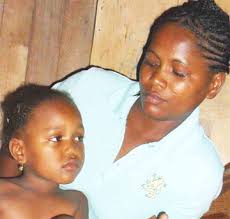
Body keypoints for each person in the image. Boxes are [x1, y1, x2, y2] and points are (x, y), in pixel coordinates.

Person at [53, 0, 230, 218]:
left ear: (214, 84)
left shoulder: (199, 172)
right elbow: (15, 147)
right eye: (152, 62)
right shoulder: (88, 89)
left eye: (178, 73)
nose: (156, 80)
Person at [0, 84, 88, 219]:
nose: (72, 148)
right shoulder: (3, 194)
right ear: (20, 151)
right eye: (56, 138)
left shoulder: (77, 201)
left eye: (78, 137)